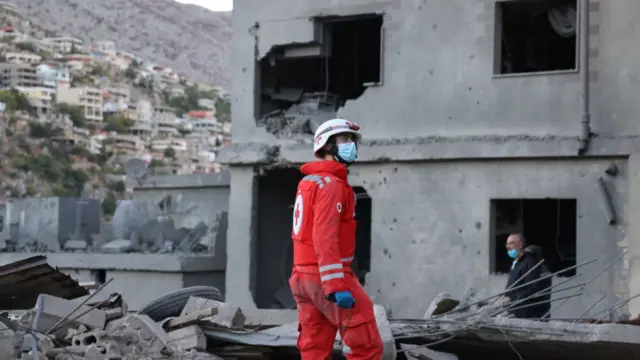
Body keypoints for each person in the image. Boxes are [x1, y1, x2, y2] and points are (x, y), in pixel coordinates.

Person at [289, 118, 383, 359]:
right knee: (367, 346)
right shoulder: (332, 185)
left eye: (351, 140)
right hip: (328, 276)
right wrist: (334, 285)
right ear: (327, 145)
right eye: (344, 139)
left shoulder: (309, 181)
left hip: (303, 276)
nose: (350, 144)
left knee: (314, 350)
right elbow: (323, 236)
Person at [502, 234, 548, 319]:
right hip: (515, 309)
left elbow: (533, 288)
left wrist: (512, 298)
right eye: (507, 244)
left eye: (512, 243)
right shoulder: (518, 263)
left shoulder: (530, 263)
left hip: (526, 312)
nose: (508, 247)